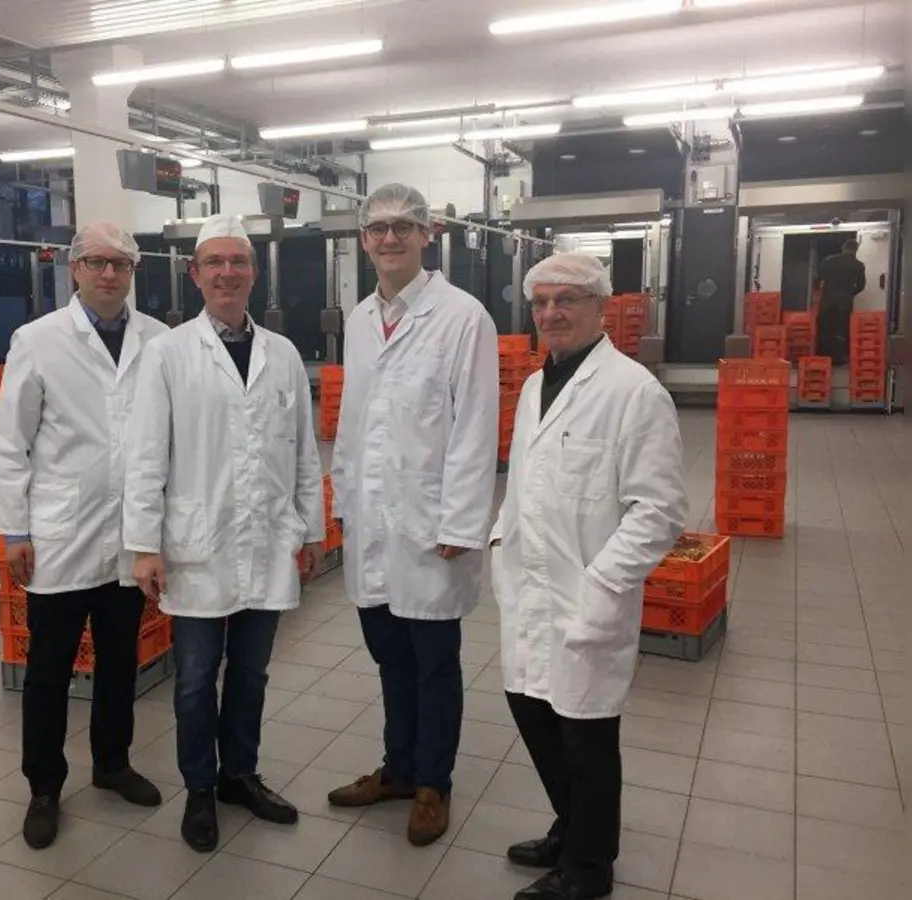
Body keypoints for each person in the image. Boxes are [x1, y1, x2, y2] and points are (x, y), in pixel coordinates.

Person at [122, 213, 326, 853]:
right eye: (215, 262)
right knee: (193, 679)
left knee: (252, 672)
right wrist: (144, 546)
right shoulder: (168, 354)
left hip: (267, 539)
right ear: (195, 273)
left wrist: (312, 530)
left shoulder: (282, 354)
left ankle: (240, 774)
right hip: (197, 544)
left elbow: (304, 451)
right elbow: (146, 455)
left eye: (238, 261)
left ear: (254, 273)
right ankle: (200, 789)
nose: (227, 273)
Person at [488, 251, 688, 900]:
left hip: (586, 593)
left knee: (586, 738)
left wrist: (602, 584)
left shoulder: (634, 392)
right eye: (541, 302)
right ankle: (569, 828)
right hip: (529, 587)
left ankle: (589, 867)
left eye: (566, 299)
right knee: (531, 711)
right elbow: (524, 481)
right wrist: (500, 538)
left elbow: (659, 511)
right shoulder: (533, 387)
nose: (551, 313)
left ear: (600, 307)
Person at [325, 183, 500, 847]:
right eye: (378, 228)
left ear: (429, 235)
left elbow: (475, 426)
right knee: (389, 657)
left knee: (434, 663)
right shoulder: (360, 319)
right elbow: (353, 420)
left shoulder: (463, 317)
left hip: (431, 525)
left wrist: (461, 523)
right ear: (363, 241)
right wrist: (345, 502)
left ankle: (433, 784)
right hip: (373, 521)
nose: (390, 237)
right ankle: (398, 769)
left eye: (404, 226)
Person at [0, 222, 171, 851]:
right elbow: (10, 442)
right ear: (74, 268)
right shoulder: (38, 341)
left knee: (120, 661)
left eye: (122, 263)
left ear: (134, 271)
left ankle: (112, 763)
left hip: (130, 536)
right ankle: (44, 785)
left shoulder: (158, 340)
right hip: (60, 535)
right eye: (97, 262)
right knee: (48, 670)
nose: (109, 273)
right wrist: (14, 530)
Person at [815, 238, 867, 364]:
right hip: (844, 303)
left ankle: (822, 356)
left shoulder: (829, 260)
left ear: (843, 248)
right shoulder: (858, 265)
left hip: (827, 300)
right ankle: (838, 358)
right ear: (856, 250)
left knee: (825, 328)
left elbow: (818, 278)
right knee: (841, 330)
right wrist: (849, 293)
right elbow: (861, 286)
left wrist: (822, 289)